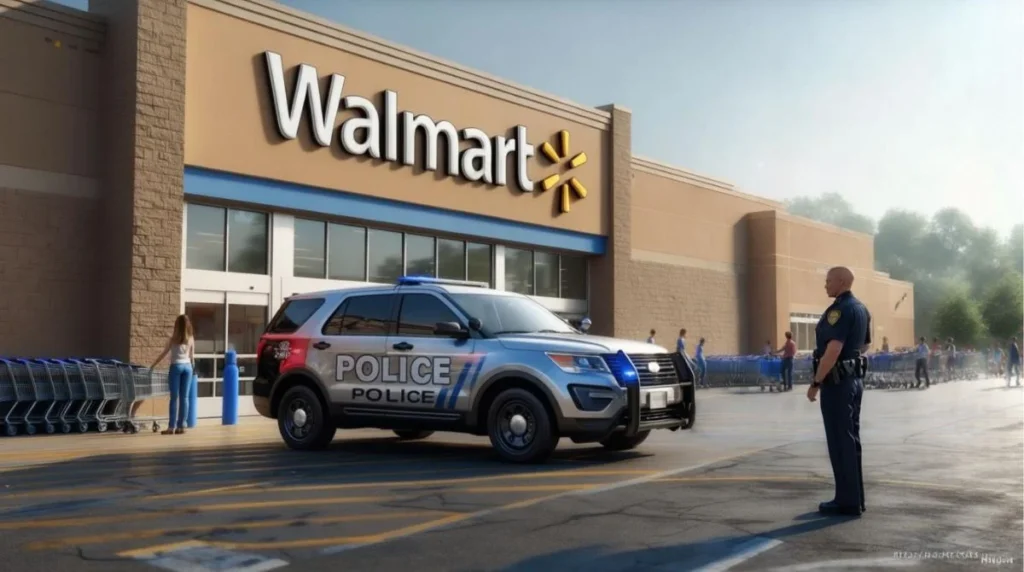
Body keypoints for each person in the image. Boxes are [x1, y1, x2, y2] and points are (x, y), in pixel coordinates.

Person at [806, 266, 870, 517]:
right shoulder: (862, 309)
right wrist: (850, 361)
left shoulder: (839, 311)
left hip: (838, 384)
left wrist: (816, 383)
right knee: (851, 439)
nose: (825, 285)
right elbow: (864, 345)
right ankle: (856, 498)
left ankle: (846, 501)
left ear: (842, 281)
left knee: (839, 441)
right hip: (854, 381)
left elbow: (832, 350)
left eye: (828, 280)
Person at [149, 314, 196, 435]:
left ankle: (171, 427)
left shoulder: (172, 339)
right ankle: (182, 426)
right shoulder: (190, 338)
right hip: (188, 367)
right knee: (184, 398)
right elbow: (192, 357)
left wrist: (153, 365)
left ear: (177, 325)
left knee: (174, 398)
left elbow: (164, 353)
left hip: (176, 367)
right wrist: (192, 367)